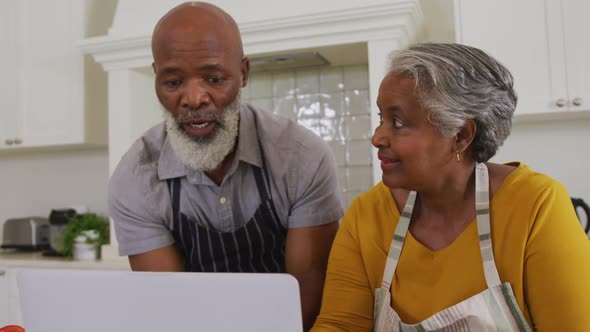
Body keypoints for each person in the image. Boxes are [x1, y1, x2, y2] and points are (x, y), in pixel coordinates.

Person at [311, 43, 590, 331]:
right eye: (382, 119)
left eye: (398, 122)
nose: (377, 137)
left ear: (461, 136)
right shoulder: (366, 215)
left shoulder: (535, 205)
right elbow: (340, 325)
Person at [108, 2, 343, 330]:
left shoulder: (300, 156)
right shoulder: (136, 178)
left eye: (214, 78)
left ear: (243, 73)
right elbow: (168, 302)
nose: (193, 98)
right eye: (173, 83)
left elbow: (308, 289)